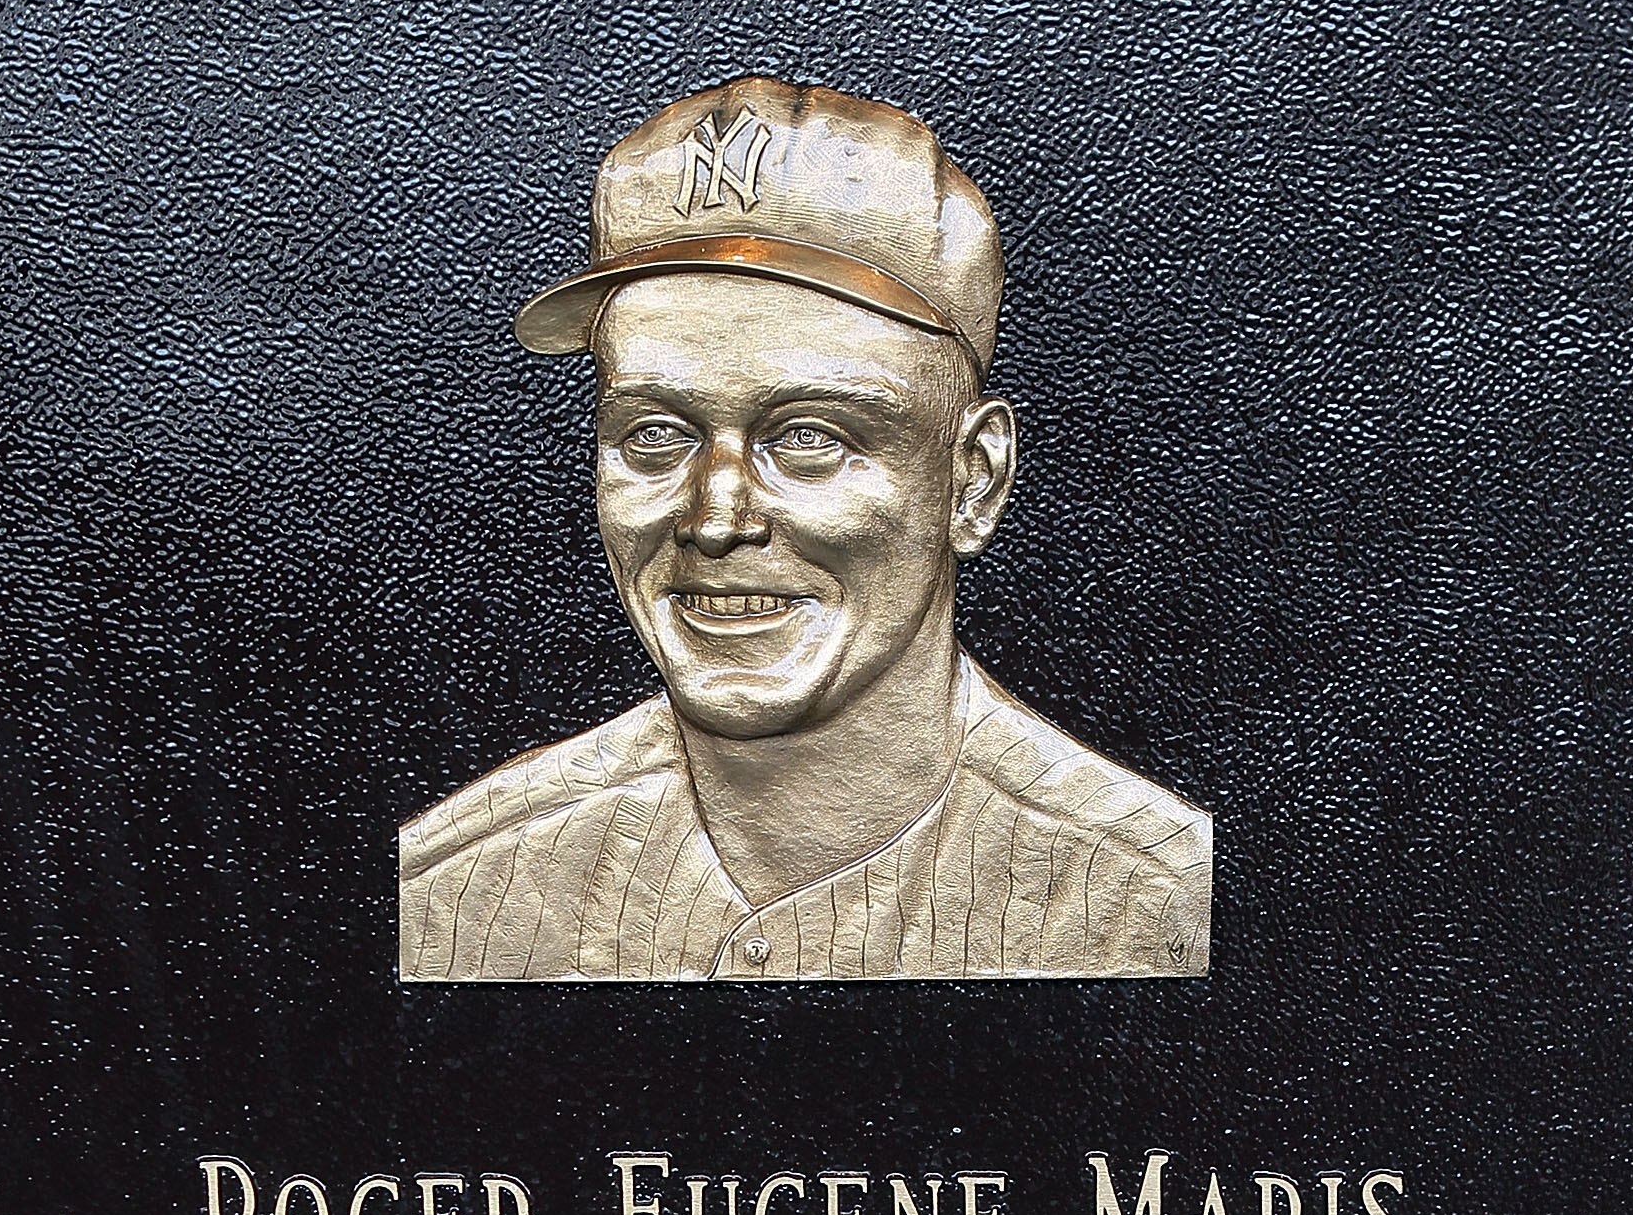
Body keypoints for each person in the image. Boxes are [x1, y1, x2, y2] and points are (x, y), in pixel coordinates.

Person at [400, 78, 1211, 982]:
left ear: (971, 480)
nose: (714, 519)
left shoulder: (1154, 893)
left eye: (811, 439)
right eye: (655, 435)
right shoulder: (450, 885)